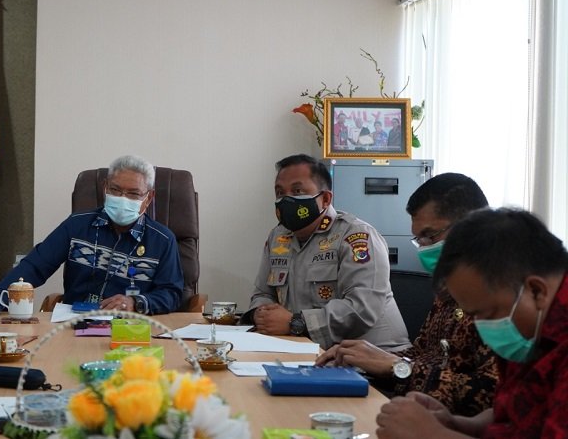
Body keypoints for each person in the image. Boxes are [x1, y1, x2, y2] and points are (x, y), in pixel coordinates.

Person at [316, 173, 498, 416]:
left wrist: (397, 367)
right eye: (418, 238)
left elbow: (490, 395)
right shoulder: (448, 289)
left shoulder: (503, 293)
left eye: (430, 236)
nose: (423, 247)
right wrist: (366, 358)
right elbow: (423, 354)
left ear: (472, 226)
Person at [376, 208, 568, 438]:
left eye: (486, 313)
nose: (480, 327)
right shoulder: (531, 331)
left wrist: (434, 435)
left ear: (536, 291)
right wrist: (458, 424)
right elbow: (514, 413)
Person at [0, 155, 184, 317]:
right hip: (74, 323)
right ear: (105, 187)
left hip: (130, 329)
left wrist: (135, 302)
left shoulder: (163, 240)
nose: (123, 198)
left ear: (149, 198)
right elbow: (34, 266)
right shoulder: (77, 225)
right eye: (116, 190)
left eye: (133, 193)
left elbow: (172, 293)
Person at [243, 154, 410, 351]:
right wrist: (261, 314)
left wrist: (296, 323)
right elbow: (262, 293)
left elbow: (361, 310)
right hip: (308, 351)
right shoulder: (278, 237)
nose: (286, 199)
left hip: (374, 360)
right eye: (280, 193)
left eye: (297, 191)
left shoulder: (357, 236)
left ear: (325, 199)